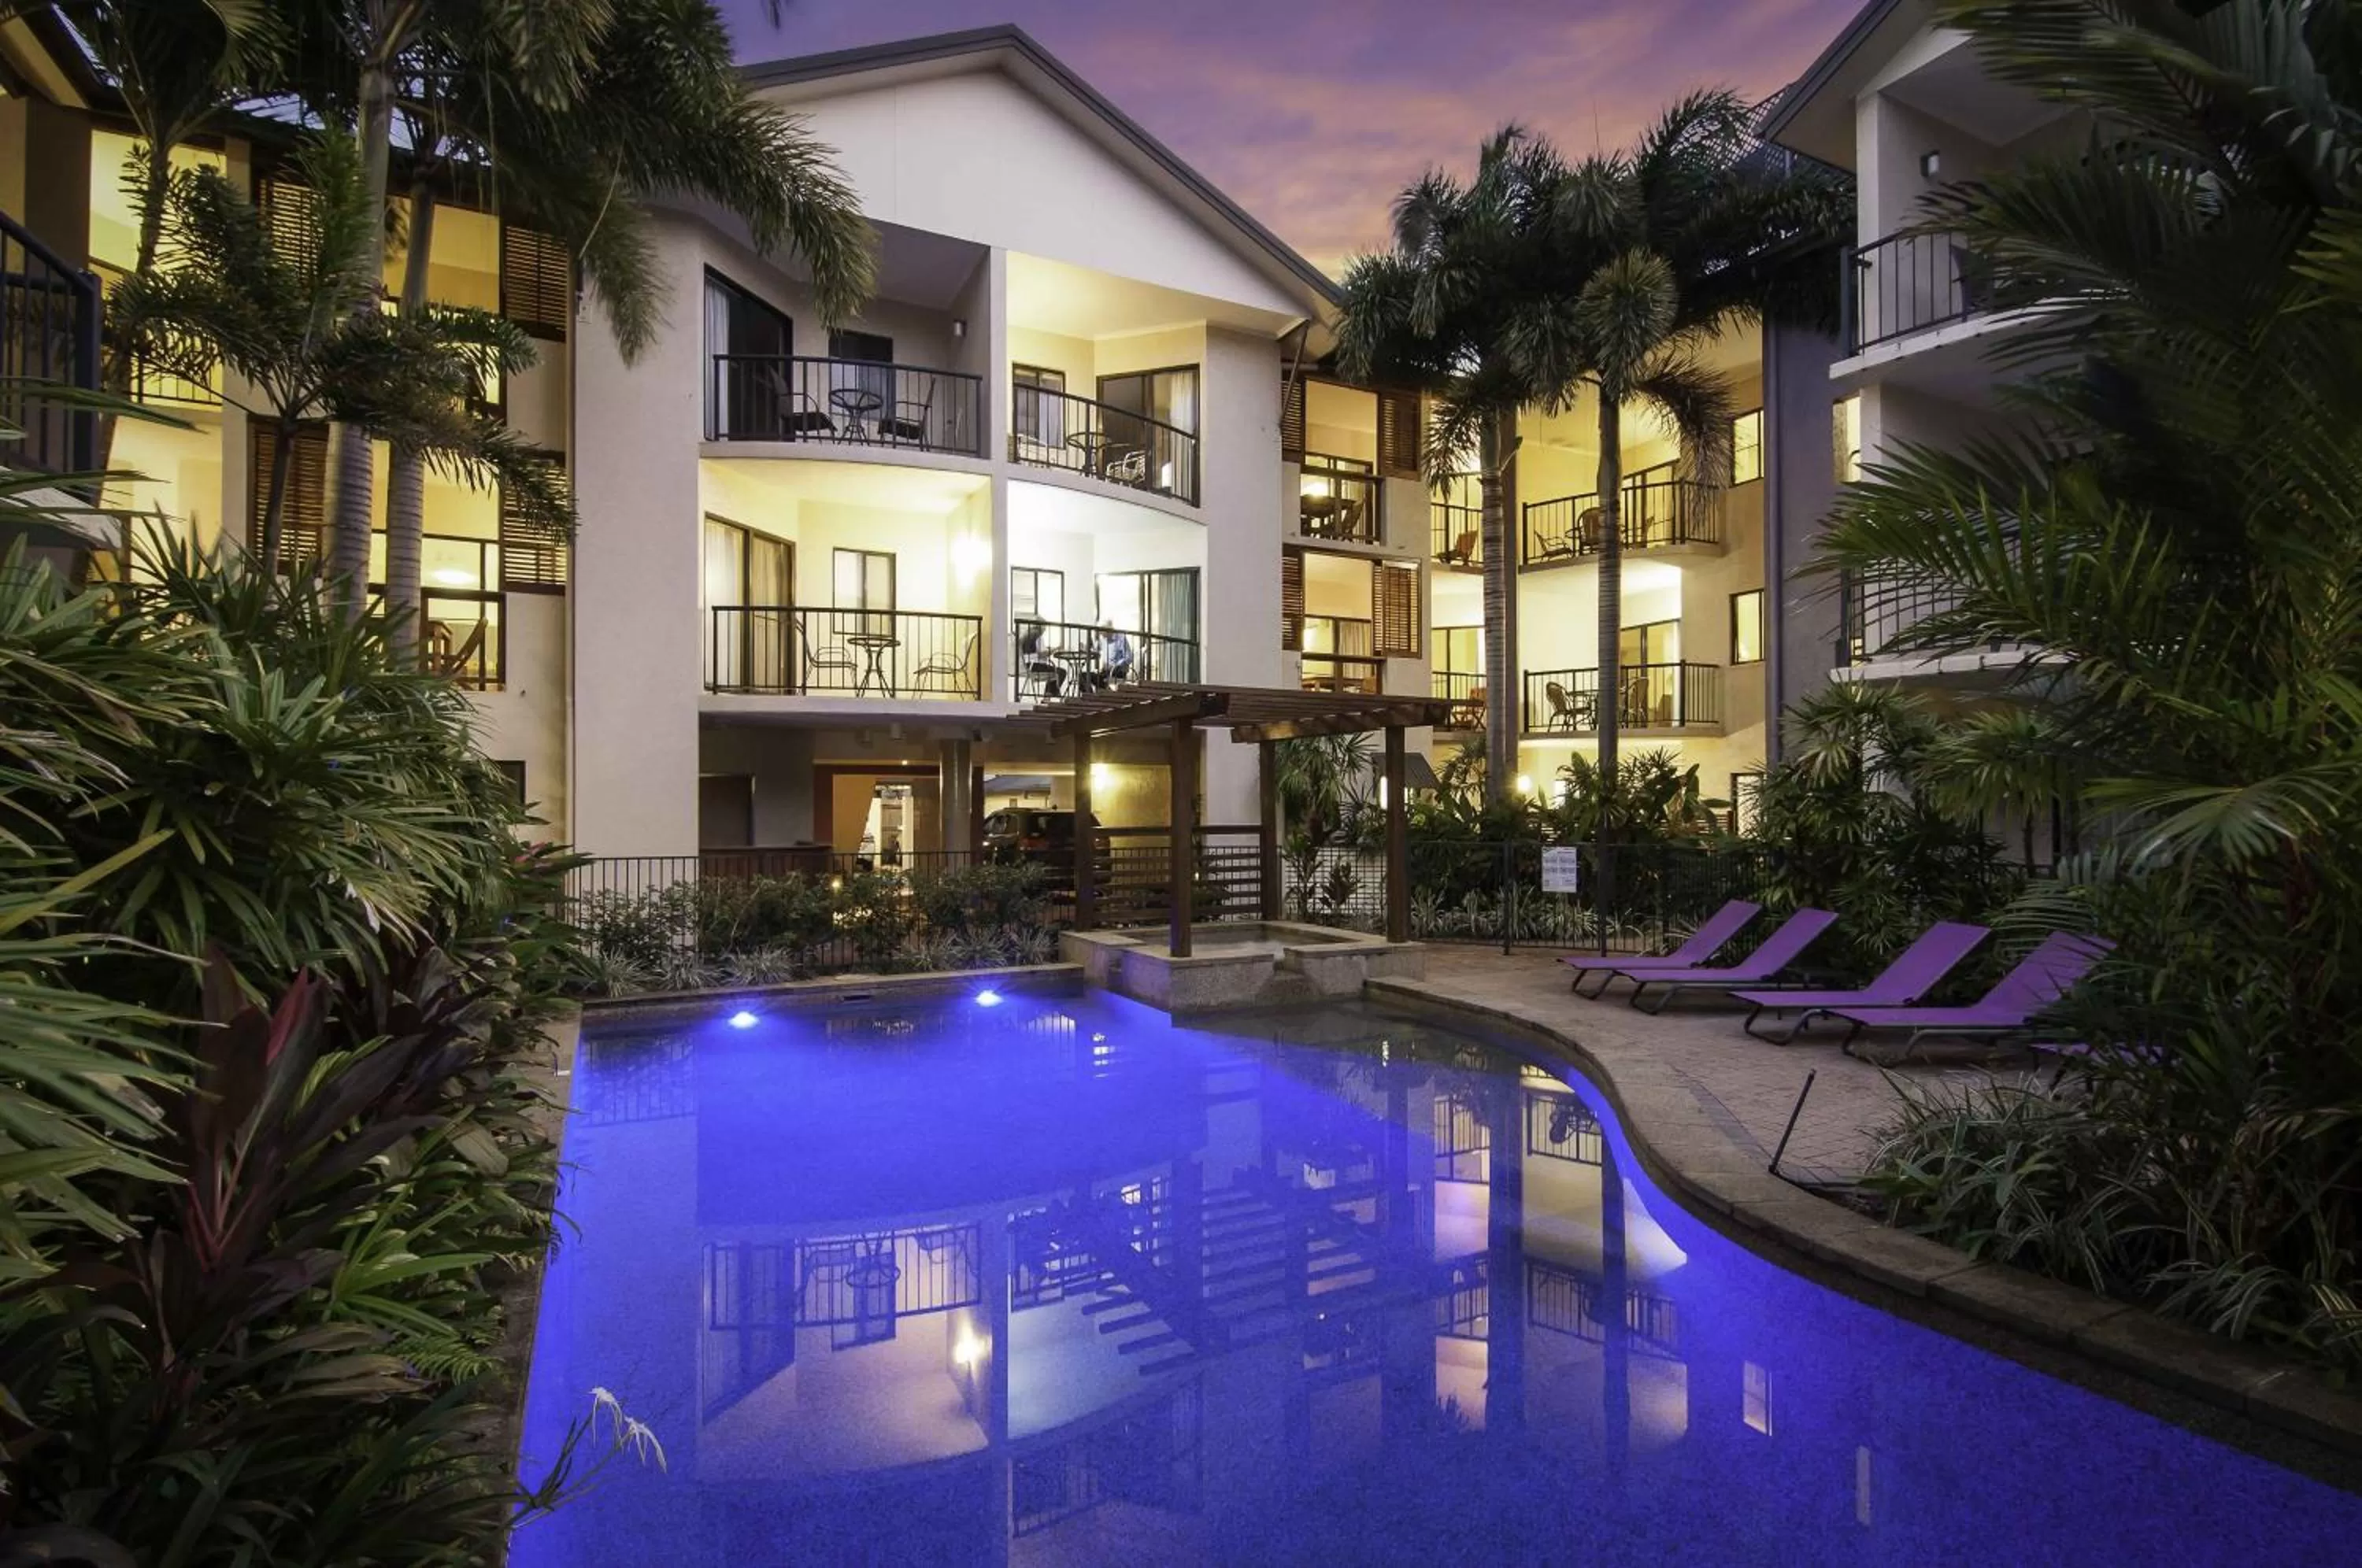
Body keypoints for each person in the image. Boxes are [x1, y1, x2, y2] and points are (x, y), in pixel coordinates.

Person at [1020, 619, 1063, 697]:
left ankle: (1050, 694)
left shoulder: (1027, 635)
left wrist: (1049, 650)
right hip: (1035, 666)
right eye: (1045, 628)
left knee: (1054, 671)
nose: (1044, 631)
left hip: (1028, 666)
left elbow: (1035, 652)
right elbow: (1043, 654)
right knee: (1061, 672)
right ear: (1042, 627)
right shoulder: (1038, 636)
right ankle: (1050, 694)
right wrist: (1056, 649)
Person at [1096, 620, 1135, 690]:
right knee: (1084, 676)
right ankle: (1090, 697)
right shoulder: (1103, 640)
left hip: (1117, 672)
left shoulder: (1120, 638)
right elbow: (1097, 651)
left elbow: (1129, 657)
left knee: (1102, 680)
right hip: (1105, 671)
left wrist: (1115, 665)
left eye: (1101, 631)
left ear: (1108, 630)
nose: (1100, 634)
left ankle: (1108, 690)